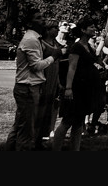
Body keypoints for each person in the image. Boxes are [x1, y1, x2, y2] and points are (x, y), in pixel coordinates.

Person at [5, 10, 59, 151]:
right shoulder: (31, 39)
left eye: (43, 17)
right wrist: (53, 57)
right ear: (30, 23)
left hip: (27, 87)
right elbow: (36, 66)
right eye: (39, 18)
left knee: (20, 125)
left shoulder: (35, 38)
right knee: (26, 130)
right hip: (28, 88)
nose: (43, 20)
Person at [53, 19, 101, 151]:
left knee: (79, 122)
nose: (94, 29)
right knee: (67, 121)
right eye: (91, 26)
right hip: (75, 88)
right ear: (83, 30)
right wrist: (68, 88)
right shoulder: (76, 47)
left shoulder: (89, 47)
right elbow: (71, 68)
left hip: (86, 89)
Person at [36, 20, 63, 149]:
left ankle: (42, 138)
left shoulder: (56, 44)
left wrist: (58, 82)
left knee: (49, 109)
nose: (57, 30)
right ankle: (35, 138)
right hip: (43, 79)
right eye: (54, 28)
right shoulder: (42, 44)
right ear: (47, 30)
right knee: (39, 110)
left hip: (53, 80)